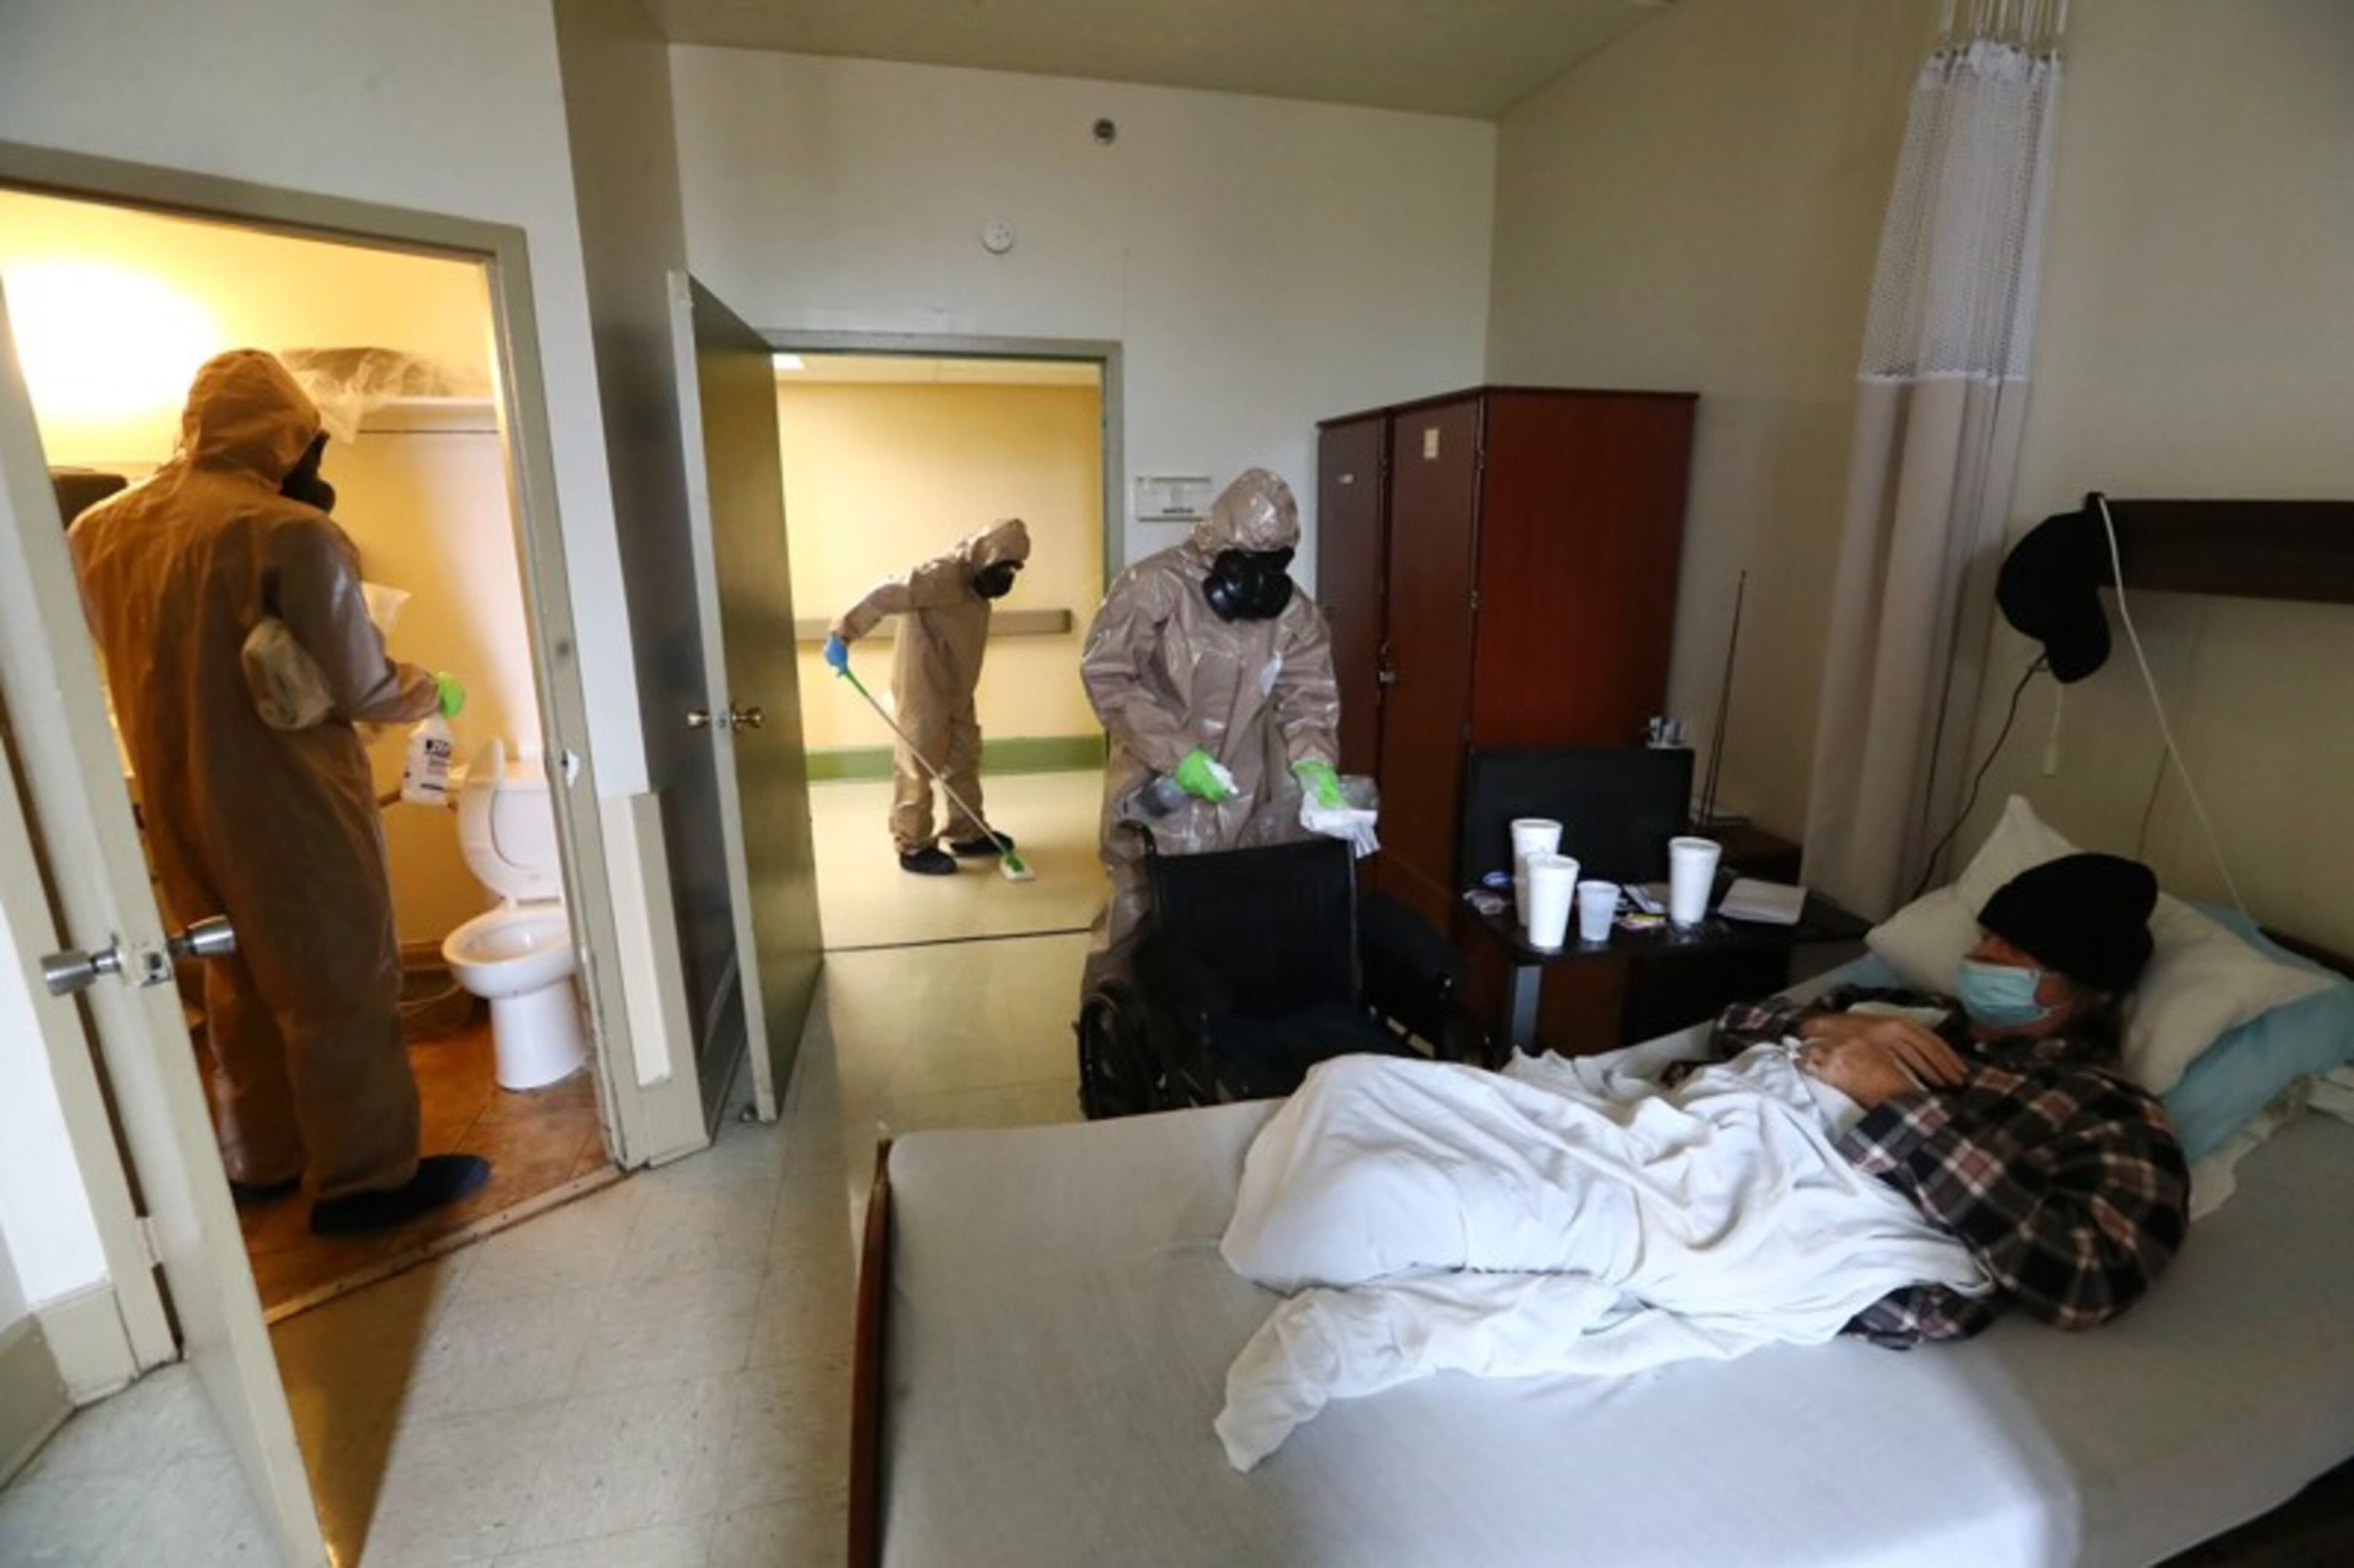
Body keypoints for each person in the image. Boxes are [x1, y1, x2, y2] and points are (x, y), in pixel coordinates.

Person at [69, 349, 488, 1235]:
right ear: (287, 435)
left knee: (233, 980)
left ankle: (263, 1159)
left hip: (170, 790)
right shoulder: (289, 533)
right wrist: (434, 689)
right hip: (285, 797)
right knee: (337, 981)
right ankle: (366, 1179)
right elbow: (365, 684)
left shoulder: (98, 532)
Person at [1709, 850, 2190, 1344]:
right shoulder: (1906, 1013)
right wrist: (1827, 1024)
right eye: (1989, 936)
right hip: (1712, 1144)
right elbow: (1730, 1026)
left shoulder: (2107, 1108)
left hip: (1788, 1227)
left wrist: (1895, 1100)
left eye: (2019, 950)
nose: (1985, 955)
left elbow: (2089, 1283)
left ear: (2091, 988)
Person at [1078, 468, 1341, 988]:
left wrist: (1315, 766)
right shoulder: (1154, 586)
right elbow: (1108, 676)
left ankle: (1204, 1044)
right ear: (1217, 547)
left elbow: (1310, 696)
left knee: (1226, 920)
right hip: (1155, 785)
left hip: (1241, 791)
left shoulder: (1294, 613)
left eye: (1276, 564)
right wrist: (1179, 755)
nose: (1262, 581)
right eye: (1249, 563)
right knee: (1137, 915)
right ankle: (1108, 1039)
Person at [825, 519, 1031, 875]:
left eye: (1013, 569)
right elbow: (884, 594)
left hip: (958, 684)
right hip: (923, 684)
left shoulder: (976, 588)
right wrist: (843, 634)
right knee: (918, 761)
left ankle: (967, 832)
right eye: (1002, 567)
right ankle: (913, 845)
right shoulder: (940, 575)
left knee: (964, 754)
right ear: (984, 556)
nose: (1006, 577)